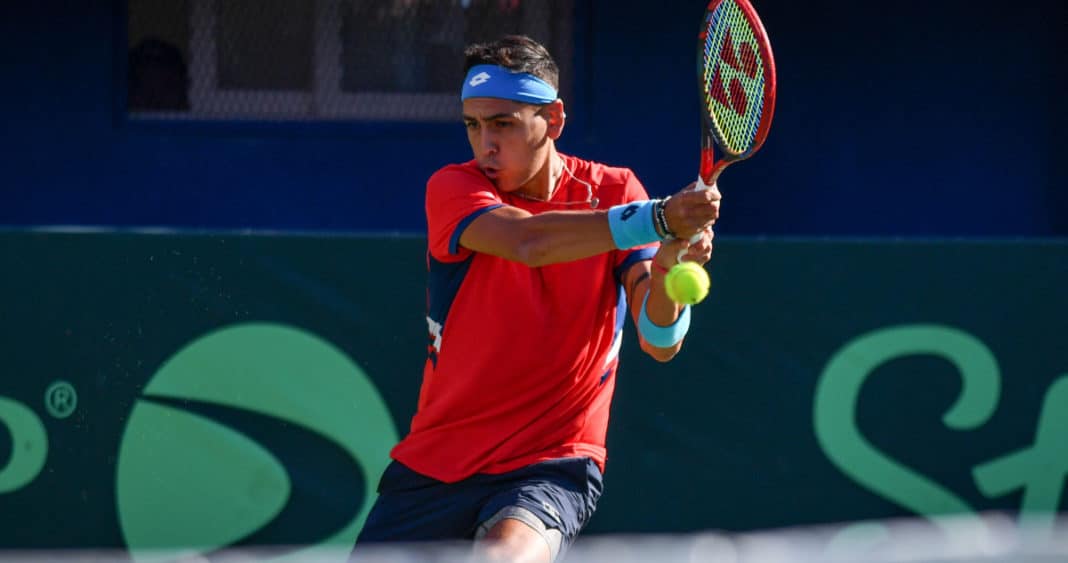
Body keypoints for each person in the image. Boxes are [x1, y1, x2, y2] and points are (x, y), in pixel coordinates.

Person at [355, 35, 721, 562]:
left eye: (502, 124)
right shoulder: (453, 188)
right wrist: (660, 218)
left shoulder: (617, 191)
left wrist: (667, 266)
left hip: (553, 461)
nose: (485, 145)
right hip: (437, 461)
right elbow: (530, 242)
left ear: (553, 120)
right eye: (473, 126)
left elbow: (659, 339)